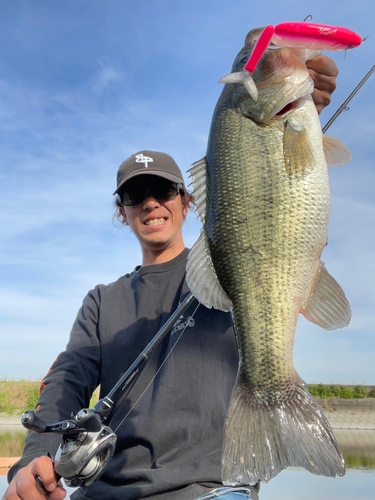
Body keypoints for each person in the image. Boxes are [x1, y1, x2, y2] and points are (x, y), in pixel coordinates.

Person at [4, 54, 339, 500]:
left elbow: (272, 205)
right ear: (122, 213)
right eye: (134, 194)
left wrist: (300, 118)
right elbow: (67, 379)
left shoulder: (224, 268)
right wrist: (31, 461)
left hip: (211, 490)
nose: (150, 203)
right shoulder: (101, 302)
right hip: (106, 492)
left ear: (188, 201)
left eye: (162, 190)